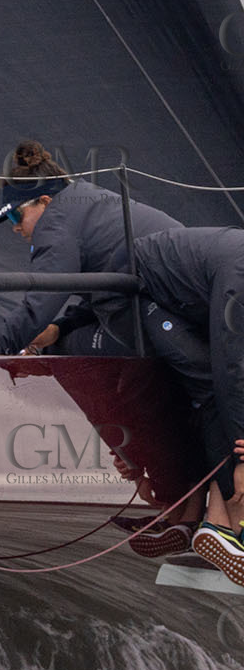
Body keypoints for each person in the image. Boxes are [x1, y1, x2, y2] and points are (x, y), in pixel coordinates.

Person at [0, 140, 185, 356]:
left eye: (16, 215)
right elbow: (106, 289)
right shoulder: (84, 201)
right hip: (178, 291)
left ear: (45, 202)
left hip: (165, 301)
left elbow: (40, 303)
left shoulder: (57, 221)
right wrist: (61, 327)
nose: (15, 227)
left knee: (60, 348)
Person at [129, 226, 244, 582]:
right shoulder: (238, 280)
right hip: (139, 298)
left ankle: (198, 516)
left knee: (211, 395)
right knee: (213, 389)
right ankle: (220, 522)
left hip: (190, 303)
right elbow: (232, 374)